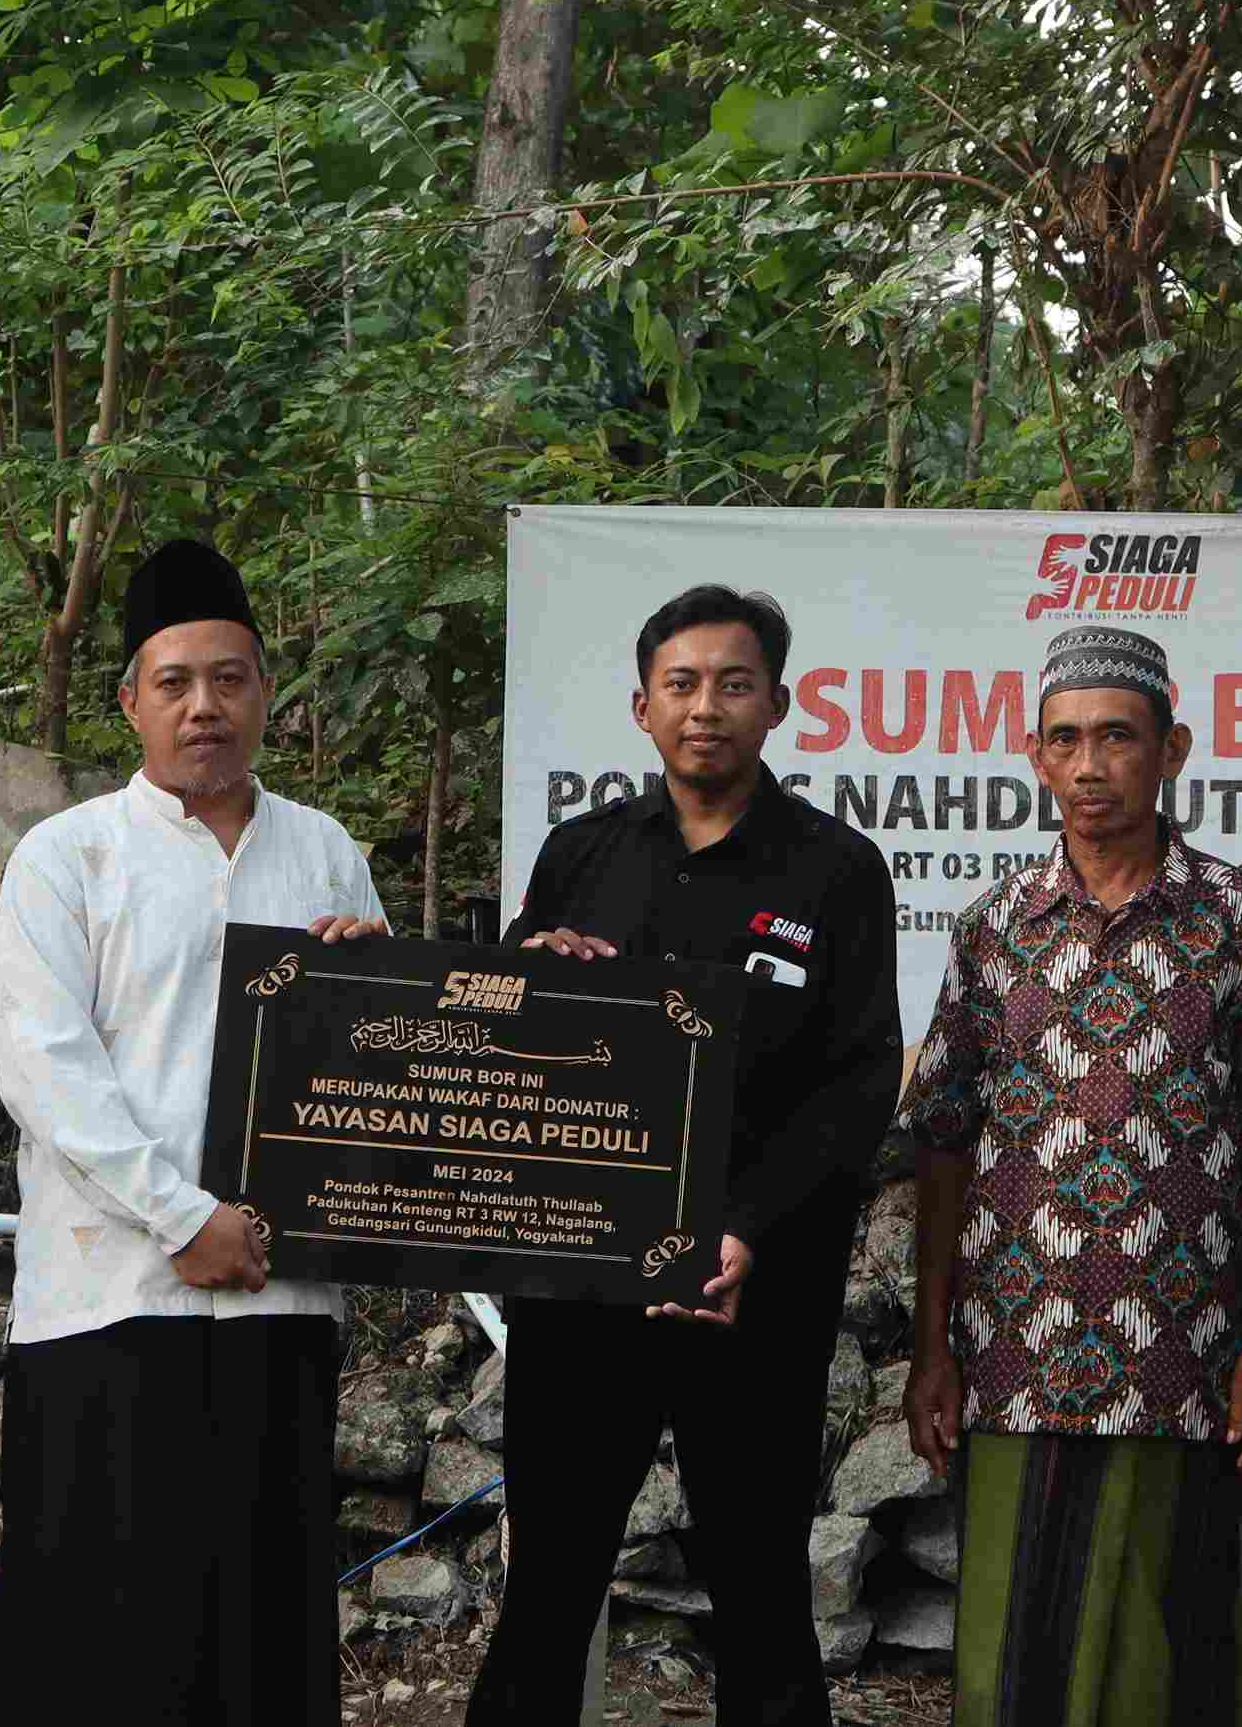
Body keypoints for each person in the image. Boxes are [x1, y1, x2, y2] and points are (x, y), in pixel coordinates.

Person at [464, 585, 901, 1727]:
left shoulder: (837, 870)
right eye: (683, 683)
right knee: (550, 1577)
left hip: (753, 1289)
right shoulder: (581, 853)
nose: (707, 705)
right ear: (642, 706)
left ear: (780, 705)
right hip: (583, 1291)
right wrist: (530, 965)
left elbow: (856, 1087)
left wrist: (747, 1228)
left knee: (760, 1583)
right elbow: (513, 1051)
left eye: (735, 683)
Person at [0, 538, 386, 1726]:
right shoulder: (70, 855)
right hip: (113, 1298)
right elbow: (47, 1070)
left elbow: (374, 1074)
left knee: (260, 1625)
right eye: (174, 682)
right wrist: (183, 1214)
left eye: (230, 678)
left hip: (280, 1296)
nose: (203, 707)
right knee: (103, 1635)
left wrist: (372, 998)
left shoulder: (324, 850)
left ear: (266, 691)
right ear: (130, 701)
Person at [901, 624, 1242, 1727]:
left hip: (1181, 1345)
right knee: (1015, 1646)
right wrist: (931, 1342)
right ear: (1036, 757)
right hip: (1015, 1343)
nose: (1091, 765)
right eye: (1066, 740)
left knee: (1161, 1646)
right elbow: (943, 1139)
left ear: (1172, 746)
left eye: (1117, 738)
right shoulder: (994, 928)